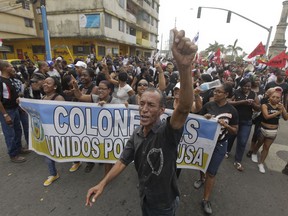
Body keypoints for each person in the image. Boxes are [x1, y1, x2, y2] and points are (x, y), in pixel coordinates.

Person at [85, 29, 197, 215]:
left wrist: (184, 68)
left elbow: (184, 108)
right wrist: (102, 183)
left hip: (164, 205)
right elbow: (122, 161)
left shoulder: (167, 133)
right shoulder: (136, 134)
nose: (144, 109)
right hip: (145, 197)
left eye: (151, 105)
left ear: (162, 110)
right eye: (142, 103)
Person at [193, 83, 238, 214]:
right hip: (205, 142)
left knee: (211, 173)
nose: (215, 93)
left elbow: (235, 131)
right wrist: (205, 118)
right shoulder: (208, 105)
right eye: (215, 91)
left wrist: (226, 126)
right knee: (201, 164)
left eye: (219, 92)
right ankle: (201, 178)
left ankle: (205, 200)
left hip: (220, 144)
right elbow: (198, 121)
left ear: (226, 95)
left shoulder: (232, 111)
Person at [72, 79, 120, 175]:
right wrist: (76, 88)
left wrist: (107, 107)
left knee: (108, 157)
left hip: (110, 134)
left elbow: (120, 117)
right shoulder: (95, 97)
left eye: (103, 89)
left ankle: (107, 178)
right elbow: (80, 96)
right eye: (99, 88)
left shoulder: (116, 101)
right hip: (97, 132)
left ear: (109, 90)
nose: (100, 91)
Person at [251, 89, 288, 173]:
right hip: (263, 129)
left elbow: (286, 118)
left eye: (277, 97)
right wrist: (278, 112)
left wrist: (283, 109)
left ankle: (261, 163)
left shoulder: (281, 107)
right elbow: (266, 116)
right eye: (273, 97)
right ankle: (254, 152)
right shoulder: (265, 105)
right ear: (269, 97)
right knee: (259, 143)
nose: (275, 99)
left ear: (280, 99)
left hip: (273, 131)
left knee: (266, 147)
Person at [227, 78, 260, 171]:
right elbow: (229, 102)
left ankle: (238, 161)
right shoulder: (236, 92)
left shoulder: (253, 94)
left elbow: (258, 108)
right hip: (234, 121)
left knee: (242, 141)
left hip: (247, 122)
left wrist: (252, 104)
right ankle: (227, 151)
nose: (247, 88)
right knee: (231, 137)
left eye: (249, 86)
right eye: (245, 86)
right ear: (241, 86)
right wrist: (242, 102)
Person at [0, 60, 26, 163]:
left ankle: (19, 149)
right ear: (5, 68)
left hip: (15, 109)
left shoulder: (10, 79)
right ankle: (13, 155)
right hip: (7, 111)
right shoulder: (1, 81)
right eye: (11, 66)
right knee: (10, 134)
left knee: (18, 130)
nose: (13, 68)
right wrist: (5, 115)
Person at [42, 76, 65, 186]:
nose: (45, 84)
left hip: (59, 132)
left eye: (48, 83)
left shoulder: (59, 98)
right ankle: (53, 173)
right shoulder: (43, 97)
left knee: (66, 149)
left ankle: (76, 161)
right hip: (47, 133)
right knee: (48, 153)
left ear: (55, 87)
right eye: (44, 83)